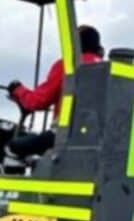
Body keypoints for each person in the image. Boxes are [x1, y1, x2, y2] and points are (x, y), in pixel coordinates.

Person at [7, 25, 104, 157]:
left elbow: (37, 101)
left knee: (11, 147)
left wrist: (17, 89)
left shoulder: (69, 65)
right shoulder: (106, 69)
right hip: (96, 140)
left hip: (63, 137)